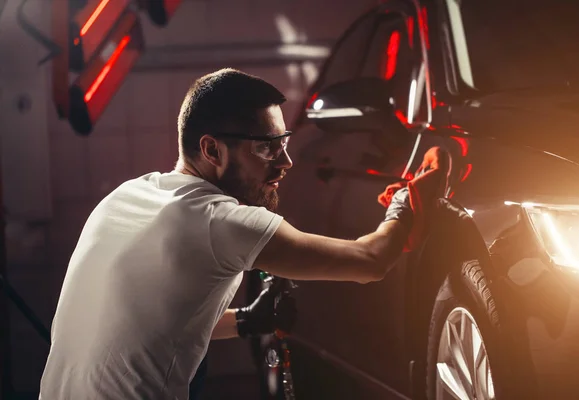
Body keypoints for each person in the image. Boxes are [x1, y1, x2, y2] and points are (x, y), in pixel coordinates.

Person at [39, 68, 446, 400]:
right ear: (212, 150)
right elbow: (369, 262)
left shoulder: (125, 196)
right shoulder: (221, 222)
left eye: (283, 142)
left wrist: (248, 321)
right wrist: (407, 201)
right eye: (267, 148)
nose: (286, 161)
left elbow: (156, 323)